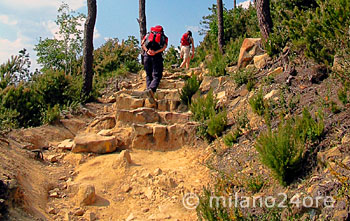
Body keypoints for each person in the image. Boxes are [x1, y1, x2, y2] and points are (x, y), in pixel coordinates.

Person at [141, 25, 168, 103]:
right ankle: (151, 90)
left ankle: (148, 90)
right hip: (157, 56)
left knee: (148, 74)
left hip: (147, 55)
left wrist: (147, 51)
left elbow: (142, 44)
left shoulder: (148, 34)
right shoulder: (164, 37)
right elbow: (164, 47)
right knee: (157, 75)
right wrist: (155, 52)